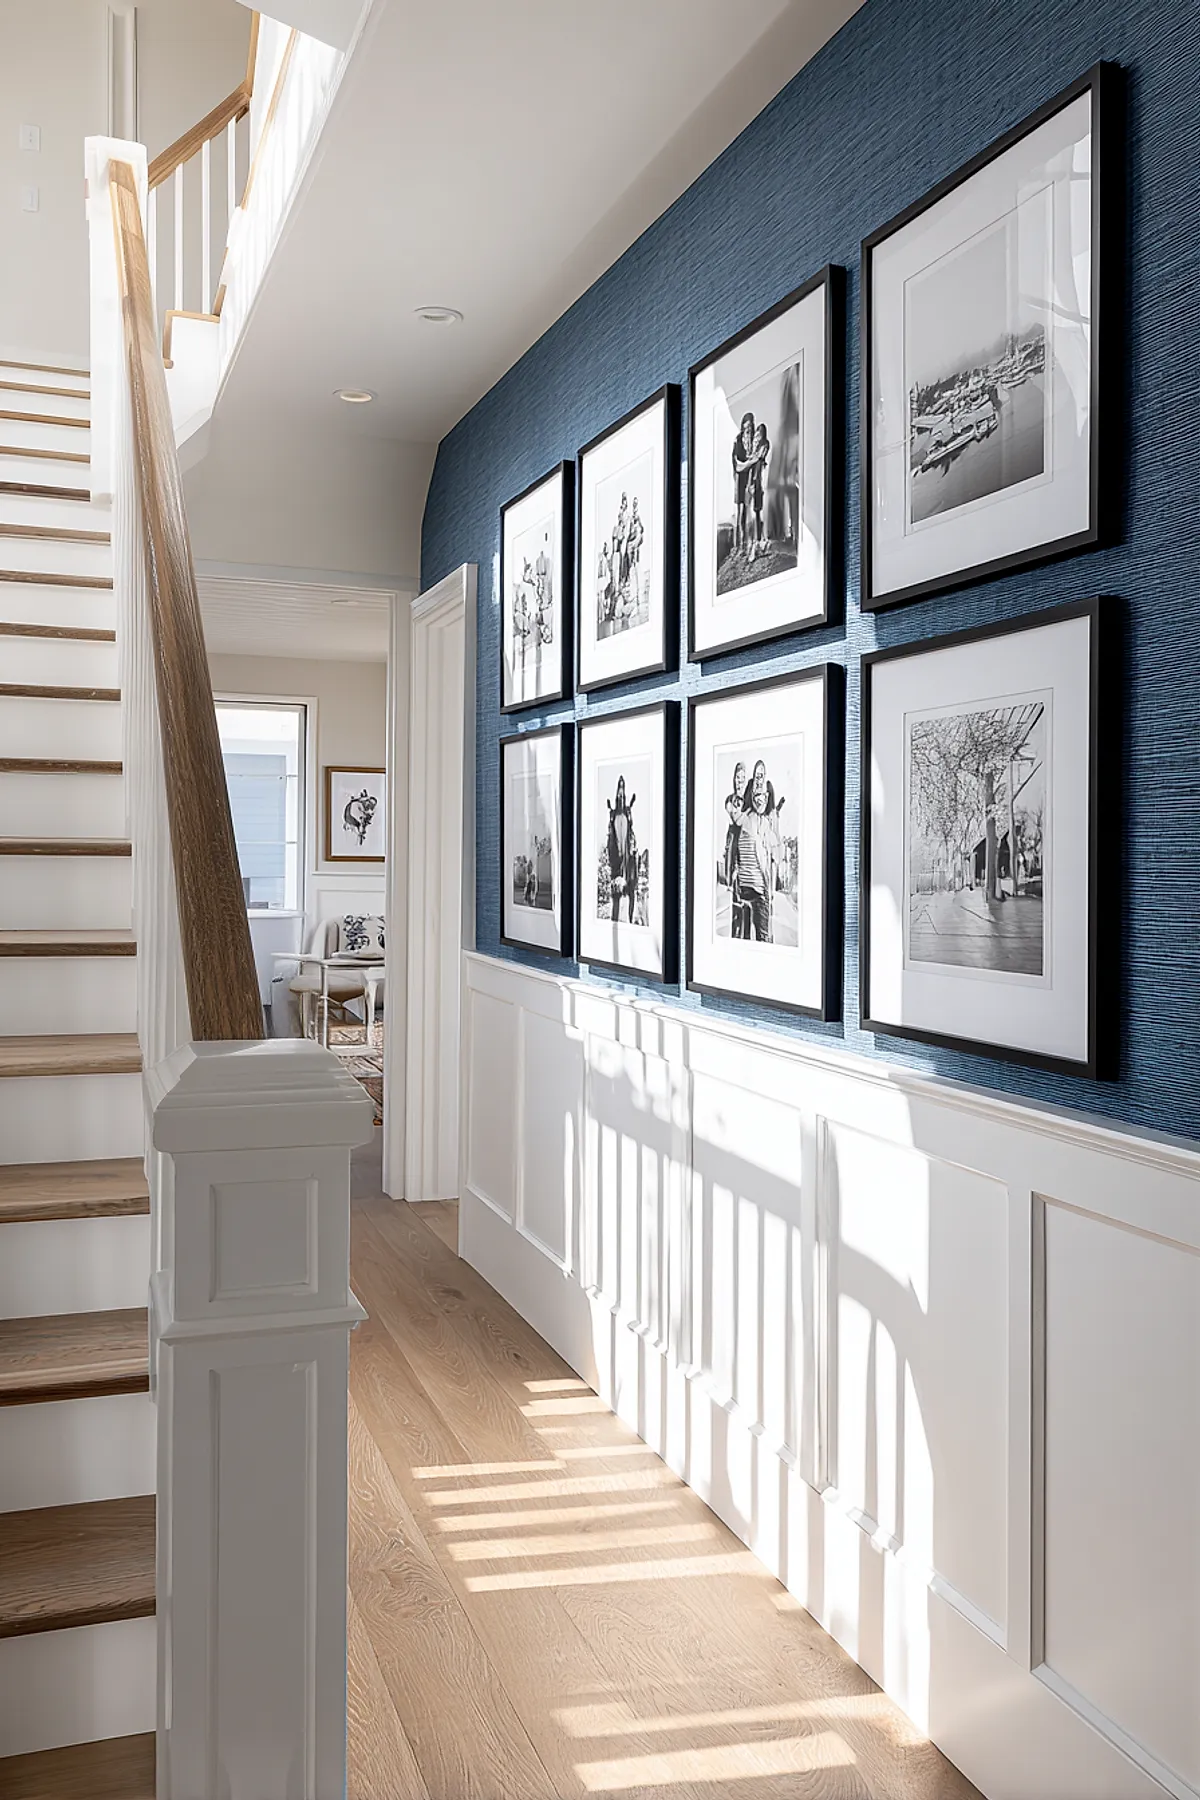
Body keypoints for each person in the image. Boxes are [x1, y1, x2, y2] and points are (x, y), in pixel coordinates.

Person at [735, 760, 783, 942]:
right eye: (756, 794)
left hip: (757, 891)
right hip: (747, 891)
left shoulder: (765, 823)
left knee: (761, 939)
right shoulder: (747, 819)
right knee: (754, 940)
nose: (759, 798)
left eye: (763, 794)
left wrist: (775, 825)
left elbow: (777, 857)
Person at [722, 762, 749, 936]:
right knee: (736, 903)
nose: (740, 781)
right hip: (734, 845)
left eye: (743, 778)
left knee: (746, 902)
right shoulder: (731, 800)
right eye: (737, 777)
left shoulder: (748, 803)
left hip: (745, 850)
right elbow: (734, 819)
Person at [731, 413, 756, 553]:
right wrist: (750, 462)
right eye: (747, 426)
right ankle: (740, 545)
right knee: (740, 513)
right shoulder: (738, 441)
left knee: (751, 512)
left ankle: (750, 544)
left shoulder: (754, 441)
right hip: (740, 481)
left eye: (751, 426)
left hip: (751, 481)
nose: (749, 430)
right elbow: (738, 465)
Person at [747, 421, 771, 562]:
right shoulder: (756, 448)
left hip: (758, 483)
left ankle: (760, 541)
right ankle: (758, 541)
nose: (756, 437)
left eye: (758, 434)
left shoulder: (764, 445)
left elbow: (758, 458)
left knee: (757, 511)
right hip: (753, 482)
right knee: (754, 512)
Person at [625, 496, 645, 614]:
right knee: (632, 568)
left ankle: (638, 599)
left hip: (635, 545)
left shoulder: (637, 521)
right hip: (632, 544)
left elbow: (640, 531)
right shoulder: (631, 520)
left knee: (636, 568)